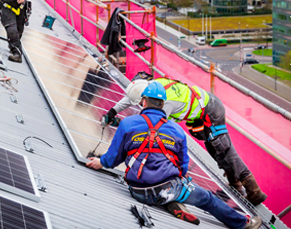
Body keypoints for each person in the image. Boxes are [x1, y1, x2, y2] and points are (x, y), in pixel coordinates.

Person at [87, 82, 262, 229]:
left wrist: (99, 162)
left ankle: (169, 201)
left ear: (143, 101)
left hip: (137, 190)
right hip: (168, 188)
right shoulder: (177, 131)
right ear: (163, 104)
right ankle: (244, 224)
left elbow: (112, 159)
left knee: (162, 187)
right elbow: (182, 168)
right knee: (207, 199)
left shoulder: (127, 124)